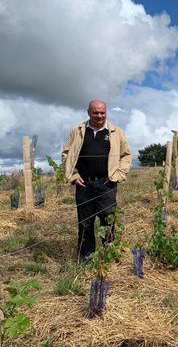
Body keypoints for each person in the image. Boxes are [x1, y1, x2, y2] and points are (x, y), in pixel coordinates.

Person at [62, 99, 132, 263]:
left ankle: (108, 256)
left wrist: (118, 174)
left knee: (108, 219)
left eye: (102, 112)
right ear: (88, 112)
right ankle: (86, 259)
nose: (99, 116)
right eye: (95, 112)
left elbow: (126, 155)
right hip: (84, 184)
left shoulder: (116, 132)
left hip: (107, 184)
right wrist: (72, 175)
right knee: (85, 222)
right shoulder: (78, 131)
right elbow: (66, 154)